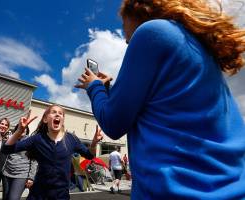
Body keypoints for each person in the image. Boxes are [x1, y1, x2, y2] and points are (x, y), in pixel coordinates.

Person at [75, 0, 245, 199]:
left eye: (123, 25)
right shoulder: (196, 48)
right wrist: (107, 90)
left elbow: (113, 122)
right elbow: (155, 107)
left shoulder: (152, 32)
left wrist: (93, 86)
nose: (125, 39)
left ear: (137, 10)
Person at [2, 105, 103, 200]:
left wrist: (94, 144)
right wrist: (19, 131)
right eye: (53, 112)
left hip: (61, 195)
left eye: (61, 113)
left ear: (62, 120)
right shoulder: (37, 139)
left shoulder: (71, 139)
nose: (57, 114)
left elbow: (89, 155)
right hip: (38, 194)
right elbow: (6, 149)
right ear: (45, 119)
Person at [2, 125, 37, 200]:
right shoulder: (12, 140)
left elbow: (34, 161)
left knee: (13, 198)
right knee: (5, 197)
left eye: (25, 128)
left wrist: (31, 177)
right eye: (21, 128)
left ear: (27, 130)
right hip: (7, 173)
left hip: (22, 175)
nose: (23, 130)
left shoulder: (30, 141)